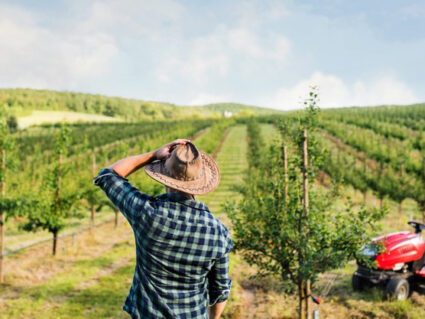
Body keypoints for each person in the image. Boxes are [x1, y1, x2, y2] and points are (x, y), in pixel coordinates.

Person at [94, 139, 233, 319]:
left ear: (163, 176)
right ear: (200, 181)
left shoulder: (145, 213)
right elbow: (221, 290)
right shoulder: (217, 232)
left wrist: (152, 155)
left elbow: (107, 175)